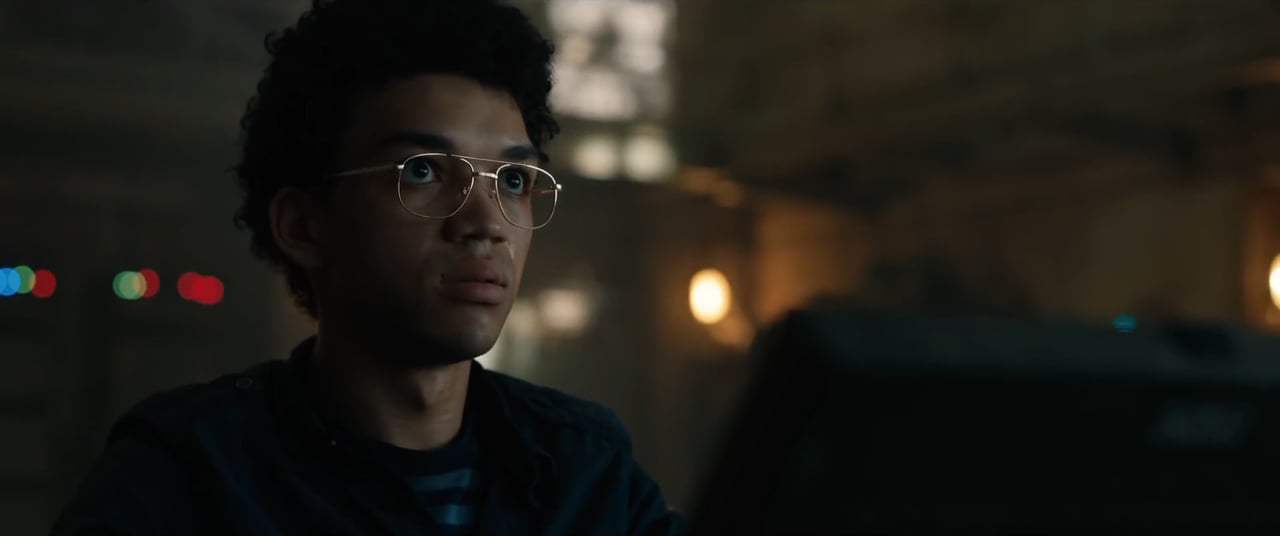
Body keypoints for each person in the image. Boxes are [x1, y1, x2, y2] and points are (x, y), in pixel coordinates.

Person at [52, 0, 683, 533]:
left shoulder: (584, 471)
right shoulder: (191, 476)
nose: (486, 222)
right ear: (304, 226)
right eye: (423, 171)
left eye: (513, 179)